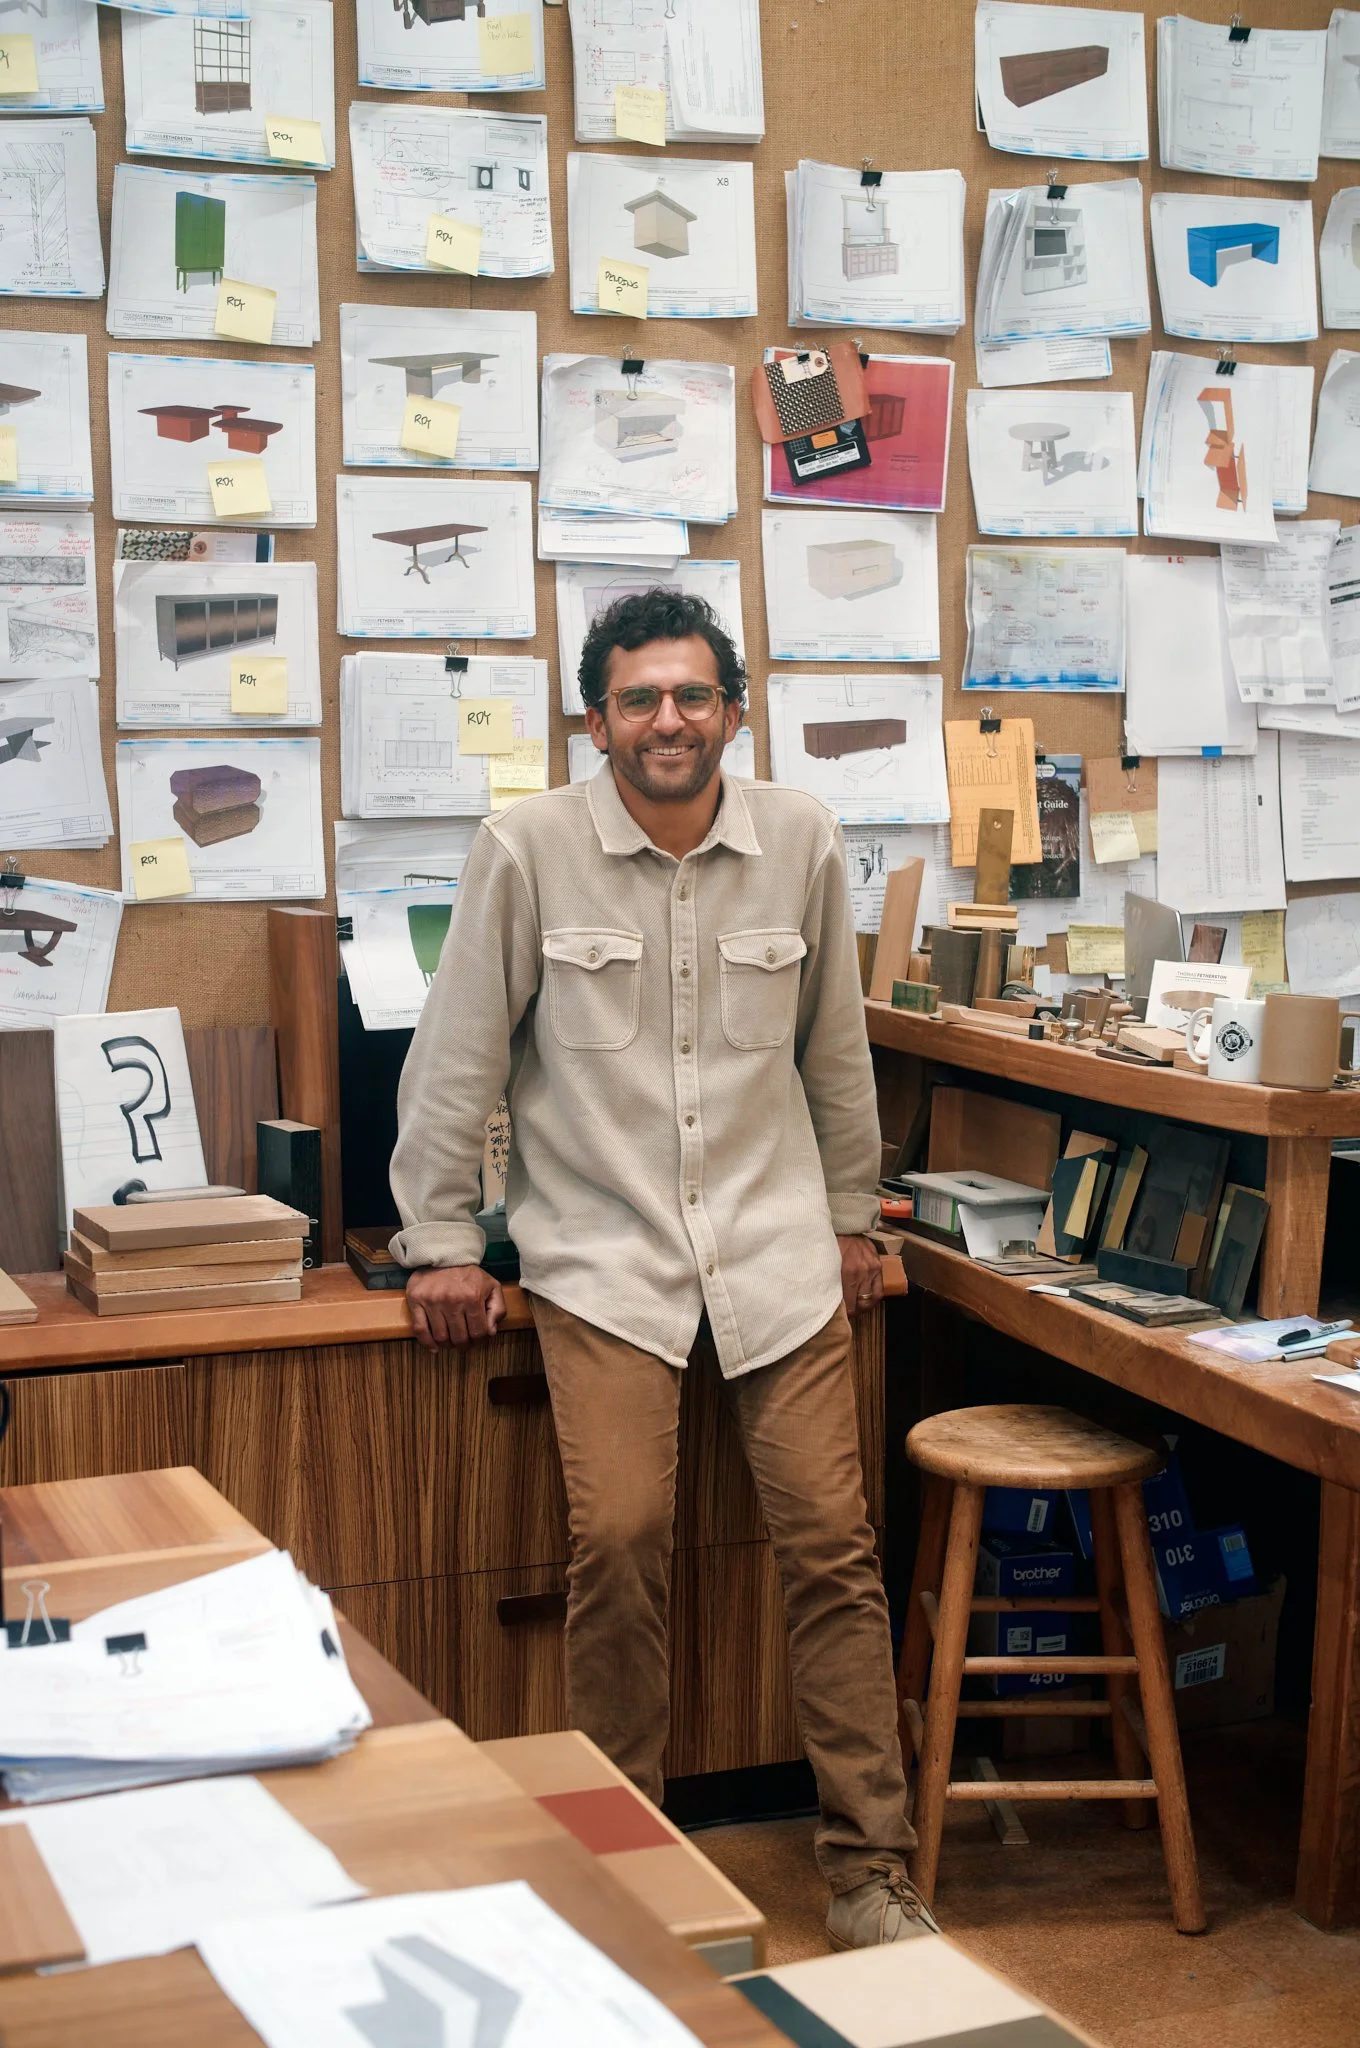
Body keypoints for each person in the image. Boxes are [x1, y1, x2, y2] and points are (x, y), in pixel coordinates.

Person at [390, 589, 932, 1948]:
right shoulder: (525, 847)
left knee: (833, 1551)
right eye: (638, 698)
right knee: (619, 1540)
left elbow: (833, 1052)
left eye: (693, 695)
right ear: (598, 720)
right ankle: (624, 1878)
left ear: (731, 713)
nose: (668, 720)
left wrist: (858, 1221)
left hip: (776, 1249)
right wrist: (442, 1241)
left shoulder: (802, 839)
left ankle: (872, 1873)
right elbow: (455, 1058)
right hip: (606, 1257)